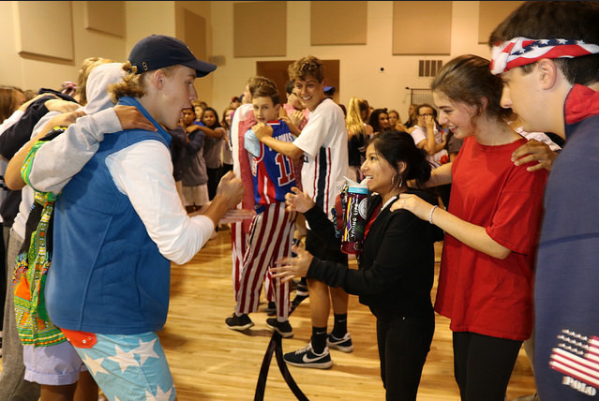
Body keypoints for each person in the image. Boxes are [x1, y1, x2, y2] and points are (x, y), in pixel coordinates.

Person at [35, 34, 242, 400]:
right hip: (107, 311)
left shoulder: (118, 129)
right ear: (159, 80)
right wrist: (220, 203)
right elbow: (178, 245)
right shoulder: (141, 145)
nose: (193, 97)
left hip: (88, 302)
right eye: (189, 82)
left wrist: (208, 217)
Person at [391, 54, 548, 401]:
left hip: (498, 300)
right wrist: (398, 176)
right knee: (468, 387)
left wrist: (428, 212)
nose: (442, 121)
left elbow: (499, 244)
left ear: (480, 103)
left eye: (447, 110)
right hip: (468, 289)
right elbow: (456, 173)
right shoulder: (473, 144)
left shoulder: (523, 163)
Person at [275, 130, 443, 399]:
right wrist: (311, 211)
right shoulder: (377, 201)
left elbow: (374, 280)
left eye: (373, 159)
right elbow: (346, 242)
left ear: (399, 167)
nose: (363, 166)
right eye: (365, 158)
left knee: (399, 393)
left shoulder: (408, 215)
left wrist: (315, 268)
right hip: (388, 314)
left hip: (407, 320)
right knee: (390, 384)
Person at [489, 2, 599, 400]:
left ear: (545, 71)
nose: (504, 100)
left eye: (508, 82)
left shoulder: (584, 161)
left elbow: (580, 333)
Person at [252, 55, 350, 368]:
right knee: (336, 275)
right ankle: (341, 333)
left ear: (322, 85)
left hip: (324, 208)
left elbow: (295, 152)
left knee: (316, 279)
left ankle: (318, 348)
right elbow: (311, 147)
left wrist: (264, 137)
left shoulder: (325, 110)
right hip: (334, 206)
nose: (304, 90)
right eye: (299, 85)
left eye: (310, 85)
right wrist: (295, 129)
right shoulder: (323, 111)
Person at [225, 78, 297, 338]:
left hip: (270, 205)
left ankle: (242, 313)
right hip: (288, 205)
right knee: (280, 261)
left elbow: (245, 165)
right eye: (255, 108)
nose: (258, 113)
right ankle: (282, 318)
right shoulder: (287, 130)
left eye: (265, 107)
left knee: (254, 260)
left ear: (277, 107)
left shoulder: (254, 133)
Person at [178, 107, 209, 213]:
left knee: (202, 209)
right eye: (184, 113)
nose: (186, 116)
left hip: (198, 175)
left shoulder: (198, 133)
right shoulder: (176, 130)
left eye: (189, 113)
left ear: (194, 115)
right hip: (184, 177)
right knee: (188, 209)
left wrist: (183, 132)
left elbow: (193, 148)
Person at [199, 107, 226, 200]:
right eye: (206, 117)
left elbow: (215, 134)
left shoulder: (220, 129)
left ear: (216, 118)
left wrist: (198, 127)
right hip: (202, 166)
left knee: (213, 193)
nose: (209, 119)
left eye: (211, 116)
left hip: (214, 167)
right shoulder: (200, 132)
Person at [346, 97, 370, 182]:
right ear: (363, 113)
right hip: (356, 168)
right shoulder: (360, 129)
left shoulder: (345, 126)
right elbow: (364, 151)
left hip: (344, 166)